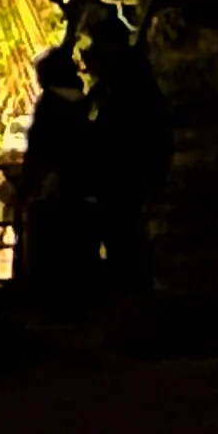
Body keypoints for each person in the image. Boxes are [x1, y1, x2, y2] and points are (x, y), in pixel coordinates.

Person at [84, 21, 170, 297]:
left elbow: (120, 129)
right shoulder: (127, 78)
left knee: (123, 235)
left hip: (125, 173)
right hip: (128, 171)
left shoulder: (126, 82)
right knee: (124, 235)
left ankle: (131, 295)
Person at [19, 44, 97, 310]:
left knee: (49, 248)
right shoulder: (86, 101)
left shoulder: (50, 105)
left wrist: (28, 182)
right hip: (83, 182)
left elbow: (39, 147)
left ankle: (52, 302)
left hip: (53, 185)